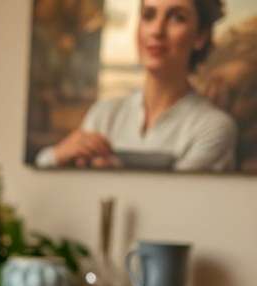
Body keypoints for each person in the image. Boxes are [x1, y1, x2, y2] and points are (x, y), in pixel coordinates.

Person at [37, 0, 237, 171]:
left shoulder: (213, 128)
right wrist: (56, 155)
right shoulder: (104, 115)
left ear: (200, 36)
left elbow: (178, 201)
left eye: (177, 18)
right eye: (148, 16)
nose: (157, 30)